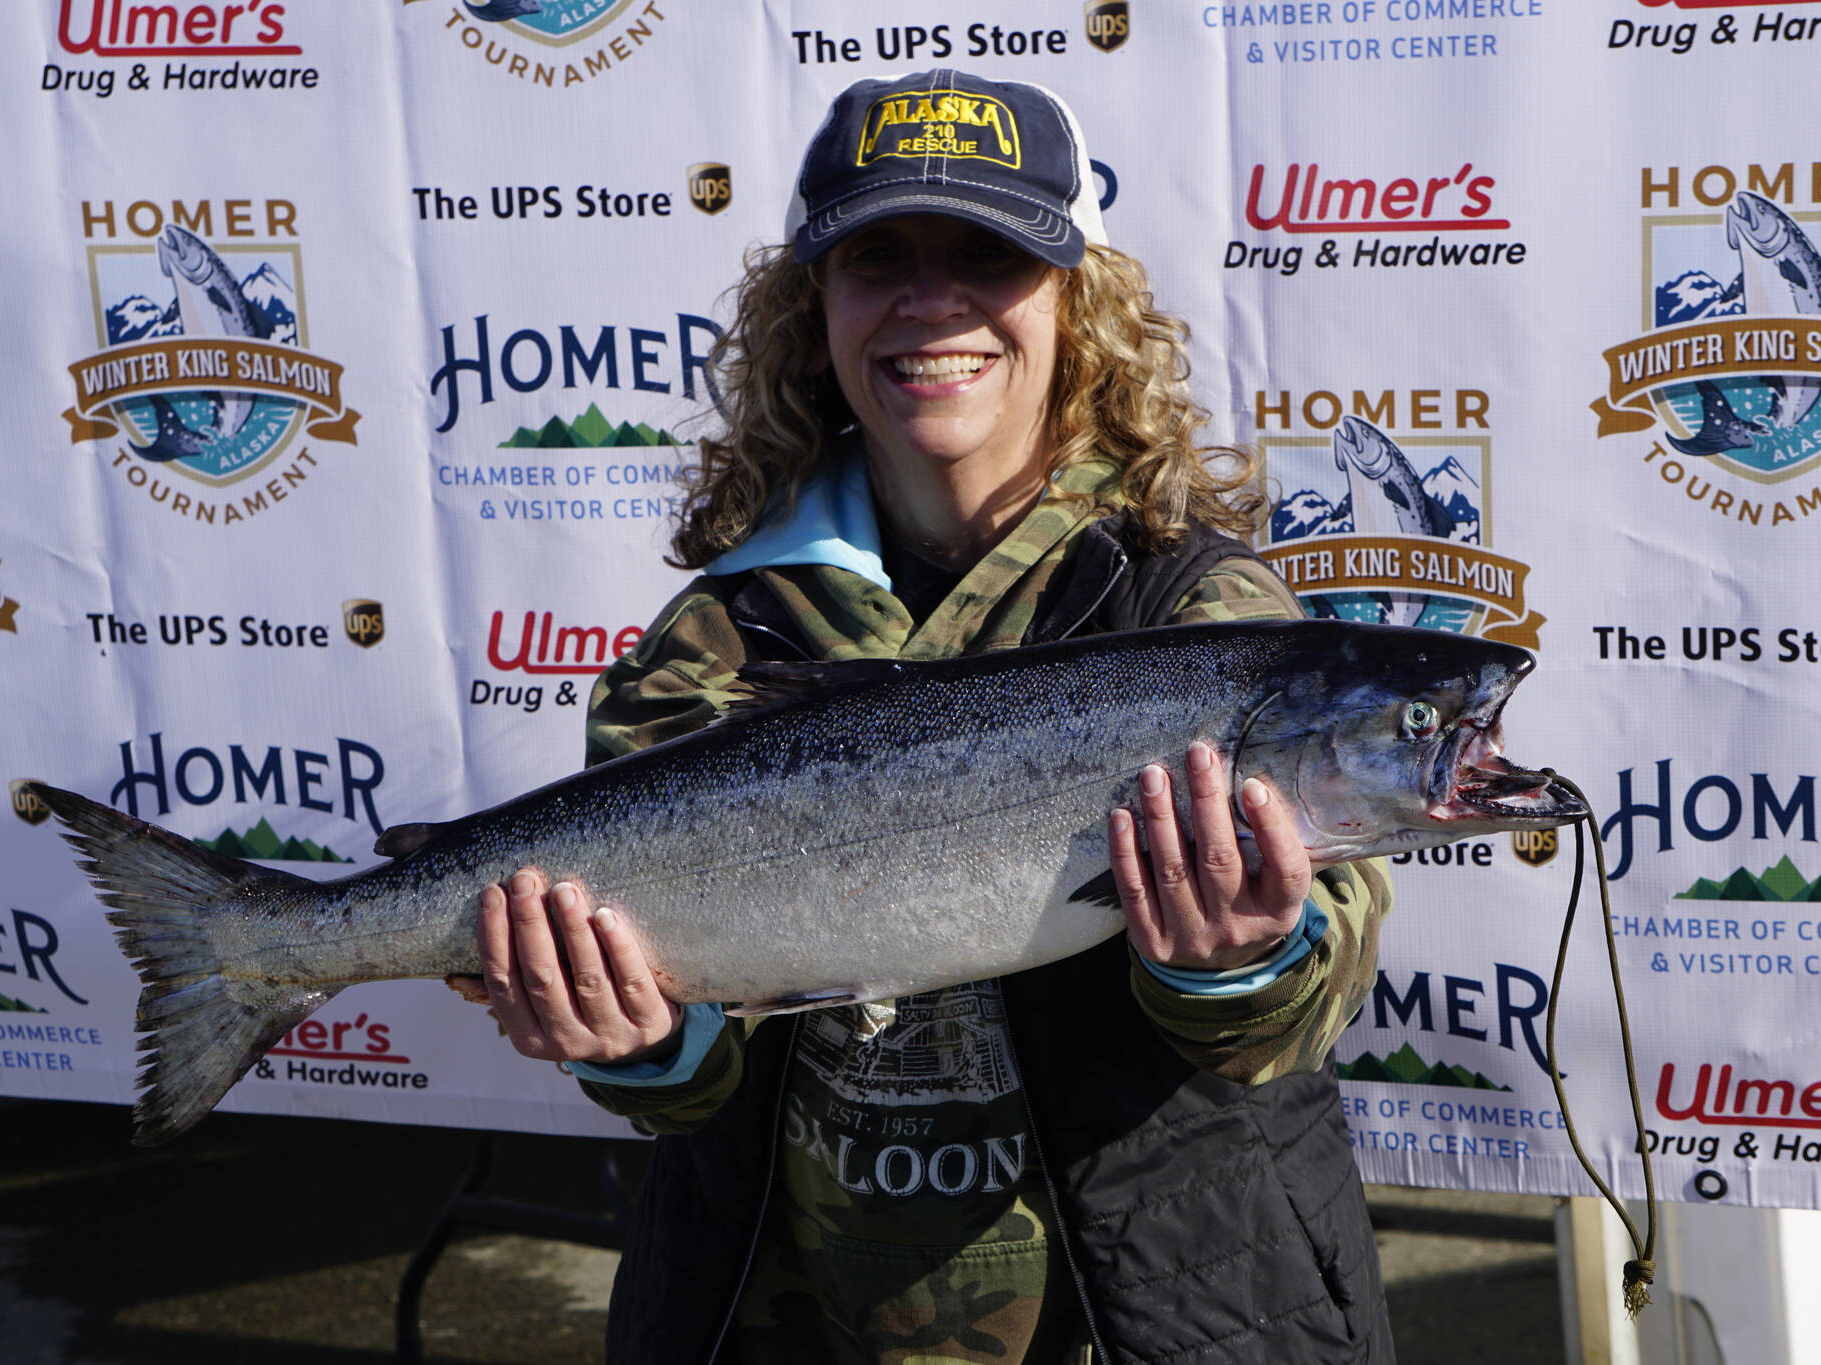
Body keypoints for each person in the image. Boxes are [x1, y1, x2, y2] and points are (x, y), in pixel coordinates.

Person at [452, 70, 1395, 1364]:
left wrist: (1240, 959)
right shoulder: (716, 640)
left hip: (1155, 1316)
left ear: (1081, 304)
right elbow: (686, 1081)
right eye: (876, 255)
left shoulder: (1196, 614)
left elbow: (1313, 990)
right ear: (814, 306)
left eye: (990, 254)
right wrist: (639, 1043)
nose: (929, 300)